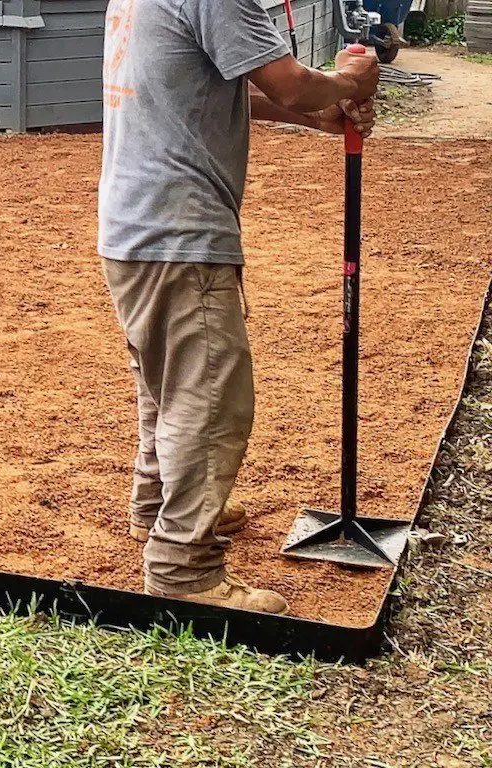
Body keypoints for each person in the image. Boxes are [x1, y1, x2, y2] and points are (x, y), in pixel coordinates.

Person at [99, 0, 380, 613]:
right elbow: (289, 82)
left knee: (169, 383)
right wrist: (350, 83)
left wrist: (317, 116)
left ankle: (156, 507)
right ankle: (184, 567)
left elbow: (204, 86)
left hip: (135, 224)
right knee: (208, 399)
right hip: (178, 227)